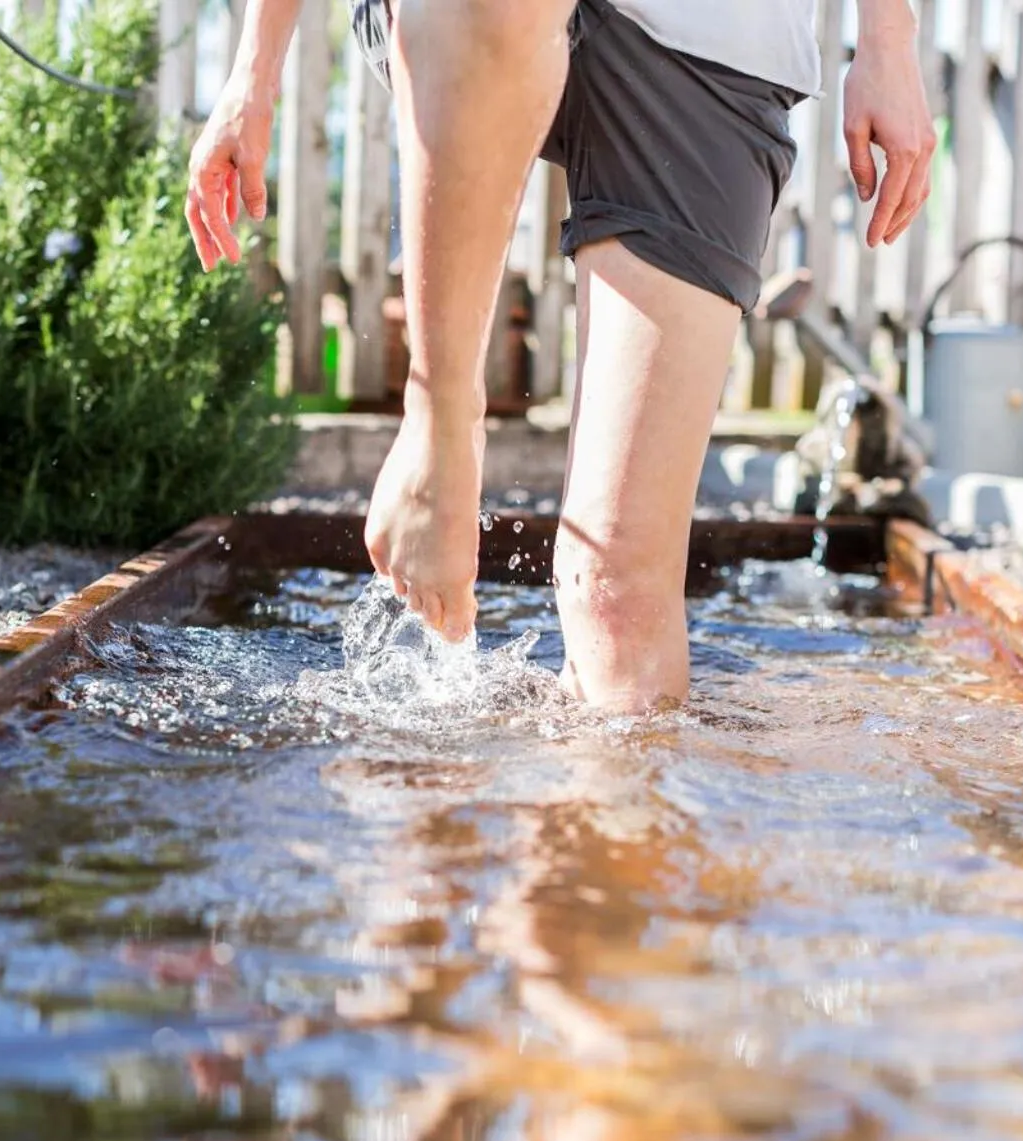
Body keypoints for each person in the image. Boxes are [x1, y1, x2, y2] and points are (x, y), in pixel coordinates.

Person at [187, 0, 934, 712]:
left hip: (713, 32)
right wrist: (252, 74)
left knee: (616, 596)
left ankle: (604, 829)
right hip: (462, 23)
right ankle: (439, 421)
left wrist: (888, 43)